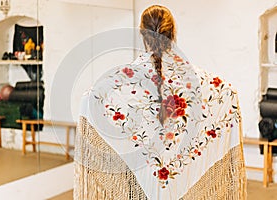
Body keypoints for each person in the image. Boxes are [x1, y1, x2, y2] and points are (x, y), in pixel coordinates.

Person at [74, 5, 246, 200]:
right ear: (173, 33)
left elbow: (92, 98)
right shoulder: (197, 80)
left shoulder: (125, 80)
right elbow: (226, 92)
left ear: (142, 34)